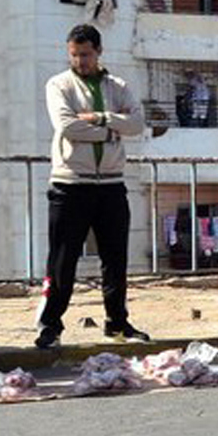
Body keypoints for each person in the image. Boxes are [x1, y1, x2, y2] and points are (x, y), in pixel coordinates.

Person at [36, 24, 147, 349]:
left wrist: (99, 118)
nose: (80, 61)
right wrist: (113, 128)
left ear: (98, 52)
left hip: (111, 183)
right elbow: (67, 126)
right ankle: (50, 325)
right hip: (70, 183)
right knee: (62, 259)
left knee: (115, 259)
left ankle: (117, 322)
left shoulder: (118, 86)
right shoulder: (59, 84)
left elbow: (137, 123)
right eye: (74, 55)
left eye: (85, 54)